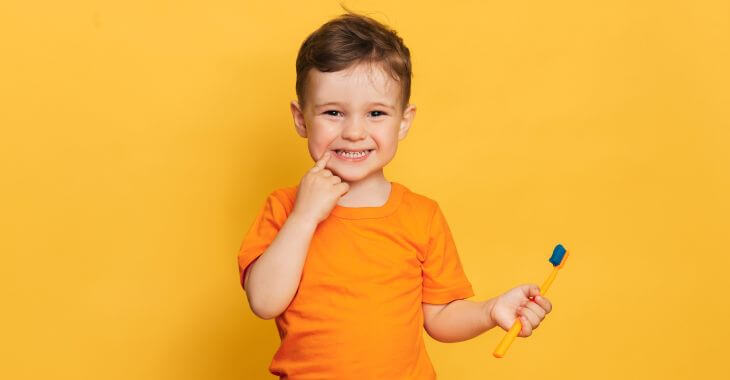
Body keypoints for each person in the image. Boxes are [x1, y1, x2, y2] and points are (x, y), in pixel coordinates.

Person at [237, 9, 553, 379]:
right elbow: (263, 301)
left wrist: (491, 310)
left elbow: (439, 317)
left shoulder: (421, 215)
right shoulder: (285, 208)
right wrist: (304, 217)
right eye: (334, 112)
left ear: (403, 122)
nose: (354, 131)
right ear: (301, 118)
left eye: (375, 113)